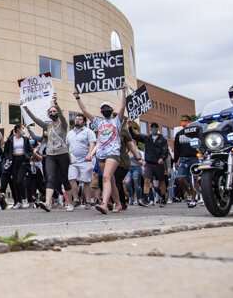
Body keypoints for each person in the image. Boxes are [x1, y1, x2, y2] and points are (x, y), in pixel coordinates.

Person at [74, 86, 128, 214]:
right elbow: (84, 111)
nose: (105, 110)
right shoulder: (98, 122)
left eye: (107, 108)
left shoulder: (116, 121)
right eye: (103, 108)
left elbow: (122, 107)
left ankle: (104, 204)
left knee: (105, 177)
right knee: (111, 180)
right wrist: (77, 97)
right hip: (101, 154)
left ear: (111, 110)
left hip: (113, 153)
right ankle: (118, 203)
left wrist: (123, 92)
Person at [24, 94, 72, 212]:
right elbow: (36, 120)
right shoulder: (48, 126)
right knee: (50, 178)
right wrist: (27, 110)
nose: (52, 113)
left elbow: (61, 114)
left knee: (65, 178)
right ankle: (47, 203)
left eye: (54, 111)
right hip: (50, 155)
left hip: (62, 154)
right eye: (50, 112)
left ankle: (70, 203)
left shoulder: (63, 124)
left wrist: (55, 104)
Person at [131, 122, 169, 206]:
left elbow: (165, 151)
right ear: (150, 129)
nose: (154, 129)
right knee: (146, 180)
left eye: (155, 127)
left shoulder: (162, 139)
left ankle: (163, 198)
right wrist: (130, 127)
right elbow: (135, 136)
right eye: (152, 127)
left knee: (161, 181)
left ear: (158, 129)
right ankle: (146, 199)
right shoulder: (147, 138)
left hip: (158, 164)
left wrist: (162, 158)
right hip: (149, 163)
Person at [65, 114, 97, 210]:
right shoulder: (70, 133)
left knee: (86, 181)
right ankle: (76, 200)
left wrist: (90, 154)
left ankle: (87, 201)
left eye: (80, 119)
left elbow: (92, 143)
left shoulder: (88, 132)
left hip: (85, 160)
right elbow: (67, 146)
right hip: (73, 161)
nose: (77, 120)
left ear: (84, 121)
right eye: (76, 119)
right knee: (72, 179)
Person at [1, 125, 32, 209]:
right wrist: (7, 158)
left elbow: (30, 151)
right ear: (17, 130)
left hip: (23, 160)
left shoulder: (25, 139)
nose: (23, 130)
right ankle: (18, 201)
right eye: (21, 128)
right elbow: (6, 151)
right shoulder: (11, 139)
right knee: (15, 181)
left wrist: (28, 156)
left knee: (19, 180)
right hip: (13, 160)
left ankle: (24, 199)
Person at [173, 115, 200, 208]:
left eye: (185, 120)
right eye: (182, 121)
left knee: (195, 179)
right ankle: (188, 193)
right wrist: (175, 160)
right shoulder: (179, 134)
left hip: (194, 158)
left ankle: (193, 199)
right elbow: (176, 148)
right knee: (180, 178)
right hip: (183, 158)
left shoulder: (196, 133)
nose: (183, 122)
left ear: (190, 122)